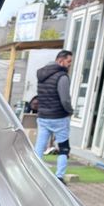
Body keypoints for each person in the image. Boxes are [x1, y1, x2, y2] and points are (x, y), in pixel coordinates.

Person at [34, 50, 74, 182]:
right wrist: (70, 111)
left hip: (43, 116)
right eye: (68, 61)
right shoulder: (62, 77)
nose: (70, 64)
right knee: (64, 148)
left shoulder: (41, 74)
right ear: (60, 61)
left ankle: (34, 174)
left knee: (40, 146)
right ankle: (59, 176)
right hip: (59, 117)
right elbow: (65, 100)